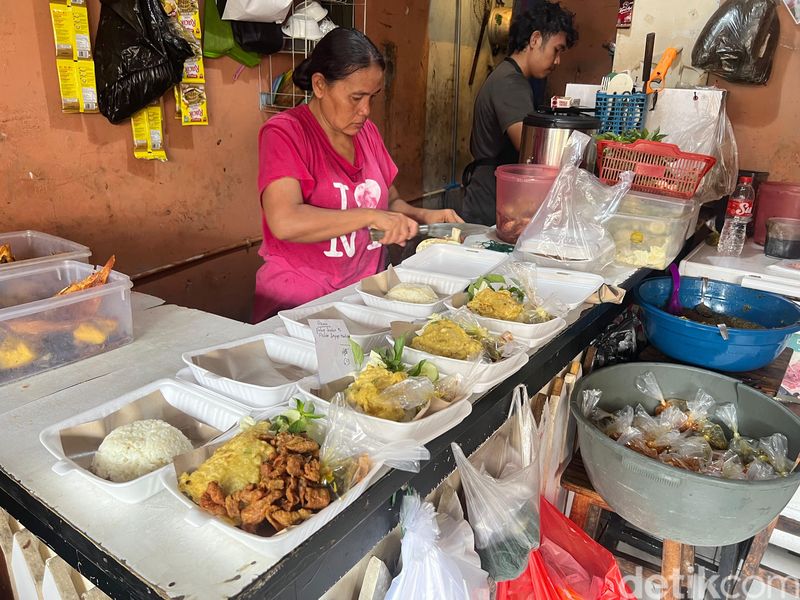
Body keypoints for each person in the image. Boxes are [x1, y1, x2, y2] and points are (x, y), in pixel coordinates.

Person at [254, 28, 462, 322]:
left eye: (372, 97)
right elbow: (285, 221)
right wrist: (367, 217)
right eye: (355, 97)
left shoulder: (367, 133)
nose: (365, 110)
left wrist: (422, 216)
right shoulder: (285, 133)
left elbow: (389, 203)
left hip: (364, 294)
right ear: (320, 85)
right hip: (301, 301)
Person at [461, 1, 578, 226]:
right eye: (557, 50)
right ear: (535, 40)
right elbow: (528, 148)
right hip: (490, 198)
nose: (557, 61)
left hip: (491, 191)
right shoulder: (511, 83)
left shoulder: (511, 77)